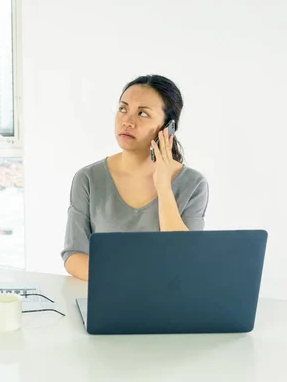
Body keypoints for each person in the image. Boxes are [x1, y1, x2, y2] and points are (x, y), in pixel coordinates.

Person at [62, 75, 209, 281]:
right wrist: (128, 281)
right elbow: (73, 255)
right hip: (107, 296)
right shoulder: (88, 178)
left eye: (142, 113)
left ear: (168, 127)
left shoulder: (193, 184)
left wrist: (163, 186)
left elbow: (184, 257)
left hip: (166, 302)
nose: (127, 121)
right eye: (123, 109)